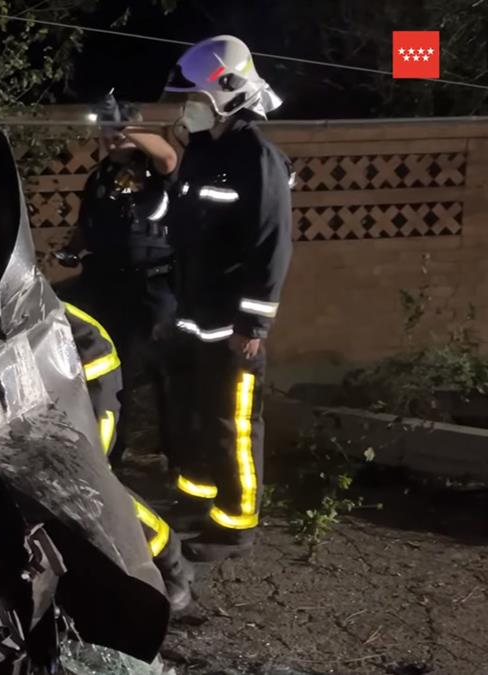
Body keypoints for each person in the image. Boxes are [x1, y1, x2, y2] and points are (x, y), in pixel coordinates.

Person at [159, 35, 295, 561]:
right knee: (195, 413)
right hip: (195, 315)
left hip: (233, 326)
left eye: (194, 100)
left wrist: (253, 326)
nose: (186, 110)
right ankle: (199, 501)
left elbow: (271, 246)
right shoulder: (205, 156)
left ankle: (236, 524)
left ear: (229, 95)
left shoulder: (257, 158)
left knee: (231, 423)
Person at [55, 92, 178, 469]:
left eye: (120, 131)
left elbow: (168, 155)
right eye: (107, 131)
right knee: (111, 367)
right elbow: (86, 224)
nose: (112, 138)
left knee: (164, 370)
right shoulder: (99, 177)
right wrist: (71, 250)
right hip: (108, 284)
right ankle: (114, 454)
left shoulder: (153, 169)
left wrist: (128, 127)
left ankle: (176, 455)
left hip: (153, 285)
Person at [64, 302, 195, 611]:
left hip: (85, 375)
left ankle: (172, 561)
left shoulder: (0, 287)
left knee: (89, 481)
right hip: (29, 386)